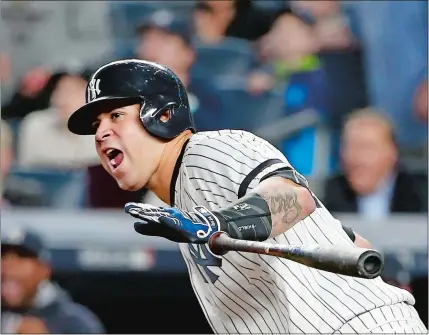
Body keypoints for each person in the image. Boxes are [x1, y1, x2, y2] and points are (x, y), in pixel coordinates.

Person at [67, 59, 427, 334]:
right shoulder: (179, 197)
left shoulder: (211, 150)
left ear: (162, 115)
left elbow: (293, 198)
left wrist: (216, 224)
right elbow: (343, 237)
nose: (101, 133)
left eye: (116, 116)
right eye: (96, 125)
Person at [324, 108, 428, 219]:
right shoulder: (332, 194)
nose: (355, 158)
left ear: (392, 152)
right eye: (349, 146)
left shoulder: (420, 193)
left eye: (365, 147)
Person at [1, 226, 105, 333]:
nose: (8, 266)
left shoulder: (74, 323)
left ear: (43, 270)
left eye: (21, 258)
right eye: (2, 257)